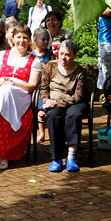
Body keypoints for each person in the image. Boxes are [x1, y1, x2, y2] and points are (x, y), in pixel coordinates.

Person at [0, 24, 41, 171]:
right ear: (12, 38)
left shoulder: (34, 60)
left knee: (8, 92)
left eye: (25, 38)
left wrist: (13, 82)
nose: (22, 40)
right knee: (5, 93)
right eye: (19, 37)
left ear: (30, 40)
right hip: (0, 92)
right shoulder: (2, 55)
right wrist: (5, 83)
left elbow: (31, 86)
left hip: (21, 95)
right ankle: (3, 156)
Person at [40, 39, 93, 172]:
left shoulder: (80, 72)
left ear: (75, 55)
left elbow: (77, 97)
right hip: (54, 102)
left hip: (75, 103)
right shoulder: (50, 67)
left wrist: (57, 103)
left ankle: (71, 157)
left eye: (68, 54)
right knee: (53, 115)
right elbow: (44, 88)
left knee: (72, 115)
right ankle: (56, 158)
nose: (63, 57)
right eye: (61, 53)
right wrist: (46, 101)